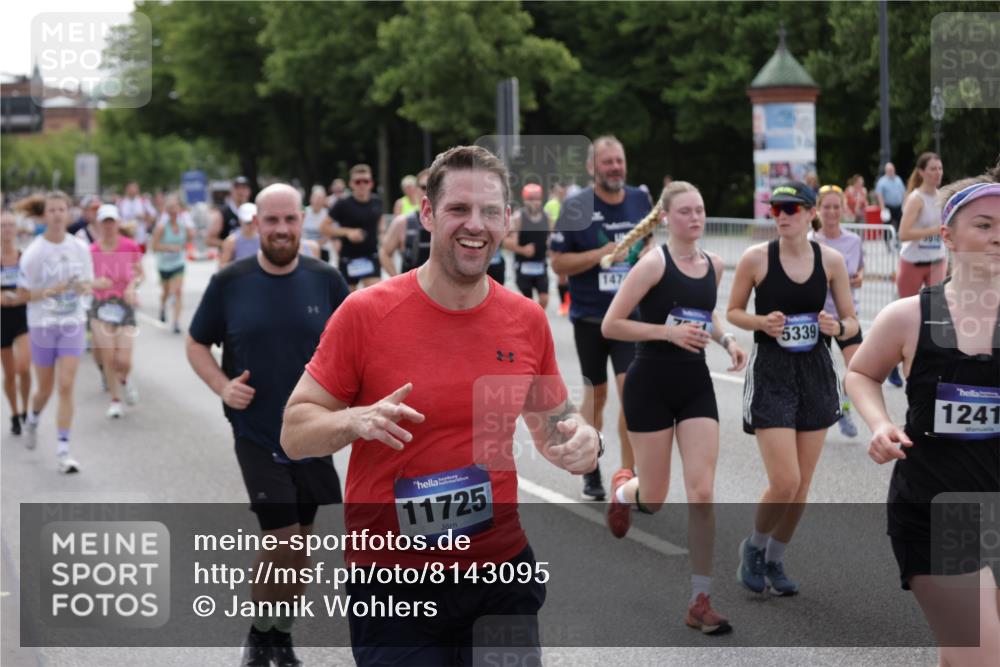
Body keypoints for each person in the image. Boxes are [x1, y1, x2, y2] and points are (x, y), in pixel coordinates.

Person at [280, 145, 600, 666]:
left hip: (500, 572)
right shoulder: (366, 314)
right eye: (458, 209)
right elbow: (295, 431)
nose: (475, 225)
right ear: (427, 214)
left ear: (506, 221)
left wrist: (585, 439)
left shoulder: (525, 319)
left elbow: (554, 425)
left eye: (490, 212)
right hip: (393, 584)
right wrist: (353, 420)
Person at [187, 183, 350, 667]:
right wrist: (221, 386)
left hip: (313, 432)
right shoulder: (229, 282)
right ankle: (260, 636)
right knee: (282, 538)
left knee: (299, 547)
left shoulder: (325, 280)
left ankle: (279, 635)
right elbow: (197, 344)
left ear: (303, 222)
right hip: (256, 431)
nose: (281, 230)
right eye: (272, 221)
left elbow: (357, 342)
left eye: (290, 220)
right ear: (256, 224)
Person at [845, 174, 999, 667]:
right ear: (948, 237)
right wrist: (878, 424)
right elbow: (862, 374)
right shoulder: (909, 316)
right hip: (940, 507)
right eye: (984, 224)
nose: (999, 236)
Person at [601, 181, 747, 634]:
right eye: (685, 211)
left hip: (695, 384)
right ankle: (624, 490)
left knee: (702, 491)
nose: (696, 218)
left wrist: (726, 339)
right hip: (650, 383)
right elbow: (612, 325)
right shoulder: (652, 264)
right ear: (666, 218)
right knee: (656, 497)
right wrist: (667, 334)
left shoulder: (715, 265)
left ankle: (699, 600)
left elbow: (706, 312)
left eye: (700, 210)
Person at [727, 182, 859, 595]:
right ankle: (754, 546)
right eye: (776, 209)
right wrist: (759, 323)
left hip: (816, 371)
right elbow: (732, 311)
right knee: (784, 480)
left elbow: (852, 322)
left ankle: (776, 560)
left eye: (792, 208)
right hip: (772, 372)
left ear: (810, 212)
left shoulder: (831, 260)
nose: (782, 215)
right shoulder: (756, 259)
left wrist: (836, 327)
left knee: (802, 485)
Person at [550, 136, 652, 500]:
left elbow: (648, 244)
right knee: (597, 397)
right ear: (593, 168)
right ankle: (590, 466)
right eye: (607, 162)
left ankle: (627, 474)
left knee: (632, 394)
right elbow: (558, 263)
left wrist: (641, 258)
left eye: (619, 161)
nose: (615, 168)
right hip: (590, 319)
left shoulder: (641, 200)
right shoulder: (576, 207)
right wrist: (600, 254)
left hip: (627, 319)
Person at [16, 191, 94, 473]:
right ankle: (33, 419)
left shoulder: (80, 248)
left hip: (72, 322)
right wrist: (54, 290)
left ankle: (63, 451)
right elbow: (24, 295)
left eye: (62, 209)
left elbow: (88, 284)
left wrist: (82, 289)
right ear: (44, 215)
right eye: (52, 210)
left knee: (66, 385)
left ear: (69, 213)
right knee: (45, 389)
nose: (58, 214)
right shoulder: (35, 253)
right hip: (42, 324)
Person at [811, 184, 865, 438]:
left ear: (843, 209)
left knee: (857, 367)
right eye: (827, 207)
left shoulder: (853, 240)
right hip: (816, 316)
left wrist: (854, 279)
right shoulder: (809, 241)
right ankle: (816, 414)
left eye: (836, 207)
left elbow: (860, 272)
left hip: (846, 315)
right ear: (817, 210)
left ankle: (844, 408)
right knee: (819, 372)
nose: (832, 212)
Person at [89, 205, 143, 418]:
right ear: (99, 224)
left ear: (118, 223)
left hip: (124, 306)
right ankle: (115, 400)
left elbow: (140, 274)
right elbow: (81, 282)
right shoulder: (91, 251)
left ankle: (124, 379)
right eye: (105, 222)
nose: (109, 226)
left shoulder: (129, 246)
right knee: (109, 356)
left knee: (125, 361)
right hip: (100, 306)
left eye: (112, 221)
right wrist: (96, 282)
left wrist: (131, 286)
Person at [324, 164, 382, 291]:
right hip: (349, 258)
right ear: (351, 184)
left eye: (365, 181)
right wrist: (348, 232)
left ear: (371, 183)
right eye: (358, 181)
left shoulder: (377, 202)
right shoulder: (343, 204)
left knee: (375, 296)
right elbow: (324, 227)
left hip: (370, 256)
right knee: (349, 300)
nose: (362, 184)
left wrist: (383, 238)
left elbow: (380, 225)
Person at [1, 211, 31, 436]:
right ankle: (14, 413)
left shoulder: (24, 258)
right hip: (2, 320)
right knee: (10, 374)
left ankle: (26, 408)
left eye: (11, 225)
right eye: (3, 225)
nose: (7, 230)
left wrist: (20, 296)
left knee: (24, 367)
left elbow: (33, 288)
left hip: (23, 317)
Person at [505, 183, 551, 309]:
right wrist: (522, 250)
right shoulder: (518, 218)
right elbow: (504, 242)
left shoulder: (547, 217)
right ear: (525, 200)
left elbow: (552, 237)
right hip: (523, 266)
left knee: (544, 299)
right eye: (530, 199)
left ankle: (536, 320)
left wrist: (551, 246)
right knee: (528, 302)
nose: (534, 203)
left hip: (541, 264)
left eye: (537, 199)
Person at [151, 194, 192, 334]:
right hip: (164, 265)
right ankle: (162, 306)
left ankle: (176, 322)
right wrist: (168, 248)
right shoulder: (161, 228)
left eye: (175, 207)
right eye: (170, 208)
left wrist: (188, 241)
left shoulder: (183, 226)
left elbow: (187, 242)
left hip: (178, 263)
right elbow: (154, 247)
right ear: (166, 211)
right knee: (166, 292)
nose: (173, 211)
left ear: (179, 209)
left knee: (178, 292)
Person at [378, 170, 431, 277]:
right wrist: (397, 280)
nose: (429, 191)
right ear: (415, 190)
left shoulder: (453, 221)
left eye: (434, 186)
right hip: (412, 287)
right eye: (424, 187)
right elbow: (384, 253)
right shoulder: (402, 219)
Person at [207, 176, 252, 250]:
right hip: (230, 259)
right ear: (232, 190)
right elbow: (209, 240)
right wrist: (228, 244)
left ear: (249, 191)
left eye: (244, 188)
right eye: (237, 188)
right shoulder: (222, 213)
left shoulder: (254, 210)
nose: (240, 191)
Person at [117, 181, 157, 252]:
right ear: (127, 189)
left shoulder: (143, 201)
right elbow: (117, 219)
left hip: (140, 238)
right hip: (125, 237)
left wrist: (145, 218)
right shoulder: (121, 202)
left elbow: (153, 216)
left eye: (135, 188)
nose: (133, 191)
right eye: (131, 188)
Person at [219, 203, 260, 268]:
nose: (252, 225)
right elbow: (221, 266)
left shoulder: (263, 238)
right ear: (240, 221)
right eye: (248, 222)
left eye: (254, 221)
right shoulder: (231, 241)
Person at [875, 161, 906, 236]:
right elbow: (879, 195)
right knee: (887, 225)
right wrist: (883, 208)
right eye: (889, 170)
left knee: (900, 224)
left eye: (892, 170)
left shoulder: (898, 179)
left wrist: (904, 204)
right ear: (886, 171)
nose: (891, 172)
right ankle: (887, 242)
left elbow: (903, 192)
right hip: (888, 207)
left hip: (898, 207)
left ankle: (898, 240)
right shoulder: (882, 181)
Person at [303, 186, 332, 262]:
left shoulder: (327, 214)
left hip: (323, 248)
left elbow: (328, 234)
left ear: (324, 201)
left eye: (320, 199)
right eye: (316, 198)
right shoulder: (304, 213)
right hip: (306, 248)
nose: (317, 201)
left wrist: (317, 245)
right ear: (311, 199)